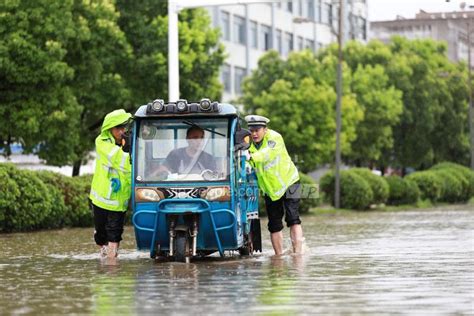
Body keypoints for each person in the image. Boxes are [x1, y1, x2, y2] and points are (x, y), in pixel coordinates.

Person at [245, 115, 304, 255]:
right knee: (274, 225)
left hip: (290, 182)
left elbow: (267, 154)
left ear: (265, 129)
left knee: (293, 218)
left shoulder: (274, 138)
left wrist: (250, 157)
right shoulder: (247, 144)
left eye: (257, 130)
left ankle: (298, 254)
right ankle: (278, 257)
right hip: (271, 190)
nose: (254, 133)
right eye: (251, 130)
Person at [89, 109, 132, 258]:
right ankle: (104, 251)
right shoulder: (101, 142)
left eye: (123, 127)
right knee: (101, 235)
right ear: (110, 129)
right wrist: (128, 151)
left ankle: (112, 262)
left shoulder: (130, 142)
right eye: (118, 128)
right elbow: (120, 160)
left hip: (119, 199)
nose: (122, 131)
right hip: (101, 198)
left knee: (114, 233)